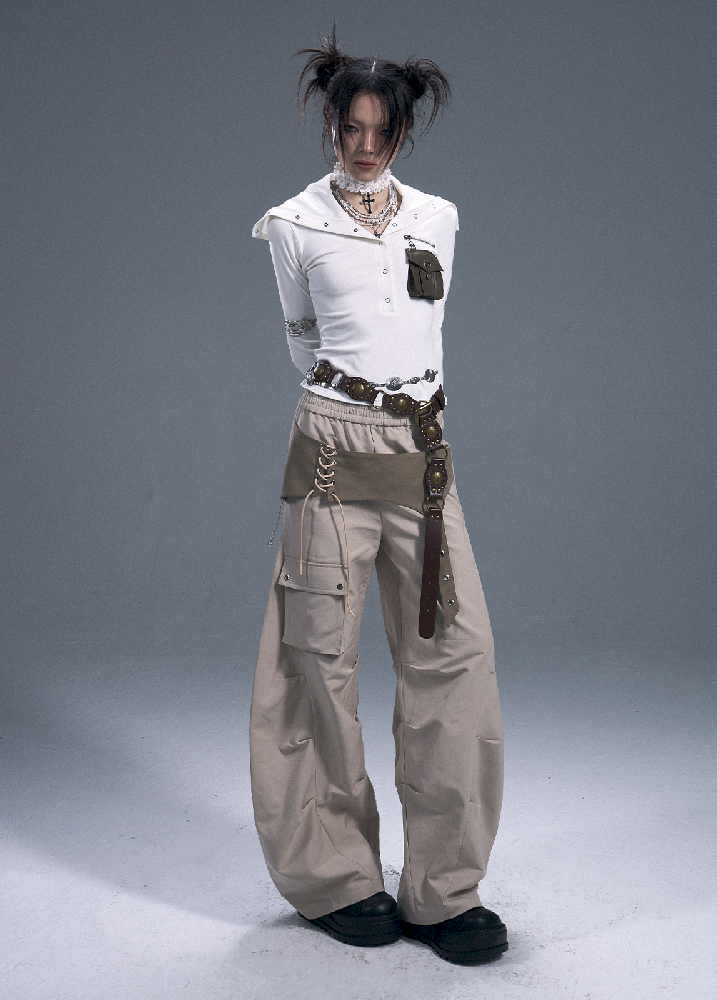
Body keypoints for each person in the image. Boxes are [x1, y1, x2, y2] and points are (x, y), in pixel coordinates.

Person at [249, 30, 507, 966]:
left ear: (403, 132)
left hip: (422, 451)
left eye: (381, 132)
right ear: (329, 124)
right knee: (315, 655)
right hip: (330, 444)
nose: (363, 147)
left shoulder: (437, 218)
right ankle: (335, 877)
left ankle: (445, 890)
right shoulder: (292, 225)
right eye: (349, 129)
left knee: (455, 654)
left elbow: (427, 334)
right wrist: (355, 404)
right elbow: (302, 335)